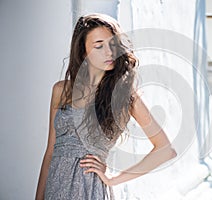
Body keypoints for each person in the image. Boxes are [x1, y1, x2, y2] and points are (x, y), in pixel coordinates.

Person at [35, 13, 177, 200]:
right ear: (83, 51)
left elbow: (166, 149)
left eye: (112, 44)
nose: (109, 52)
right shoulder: (61, 90)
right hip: (56, 185)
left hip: (90, 188)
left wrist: (113, 178)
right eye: (99, 46)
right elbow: (51, 151)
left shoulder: (127, 96)